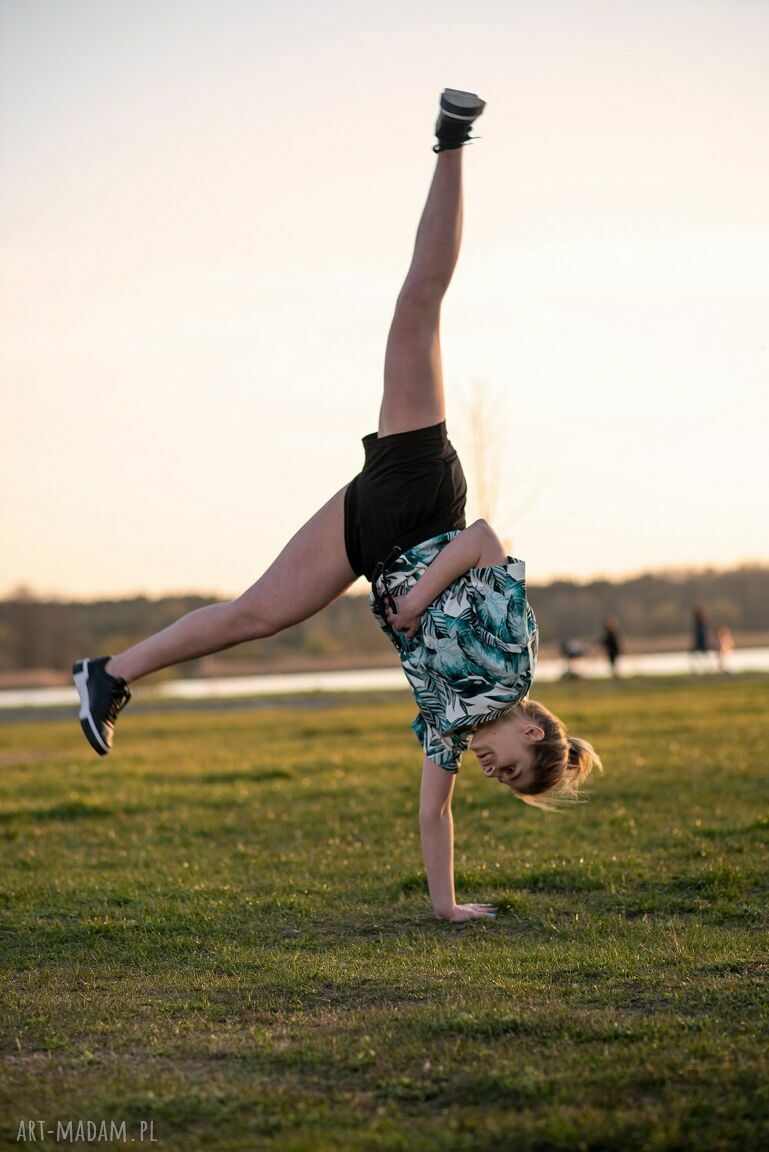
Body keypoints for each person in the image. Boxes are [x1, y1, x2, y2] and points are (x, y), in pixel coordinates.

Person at [73, 90, 602, 923]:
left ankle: (108, 675)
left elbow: (434, 813)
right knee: (418, 307)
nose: (492, 773)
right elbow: (484, 540)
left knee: (255, 614)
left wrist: (446, 908)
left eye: (498, 781)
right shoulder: (511, 662)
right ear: (531, 732)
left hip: (372, 542)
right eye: (510, 767)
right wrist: (418, 600)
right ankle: (453, 138)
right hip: (420, 501)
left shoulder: (445, 726)